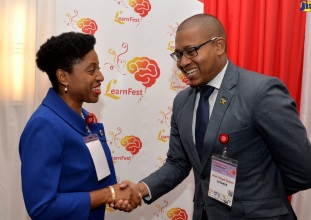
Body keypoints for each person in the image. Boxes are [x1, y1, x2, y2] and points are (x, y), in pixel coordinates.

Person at [116, 14, 311, 219]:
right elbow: (178, 163)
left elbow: (304, 169)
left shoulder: (260, 92)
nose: (182, 62)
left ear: (218, 46)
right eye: (178, 55)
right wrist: (139, 190)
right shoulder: (182, 101)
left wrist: (263, 195)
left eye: (190, 52)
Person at [19, 32, 141, 220]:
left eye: (98, 69)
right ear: (63, 77)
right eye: (91, 70)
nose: (100, 76)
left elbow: (98, 183)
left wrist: (119, 192)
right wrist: (110, 194)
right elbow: (42, 207)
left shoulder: (84, 119)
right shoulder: (44, 126)